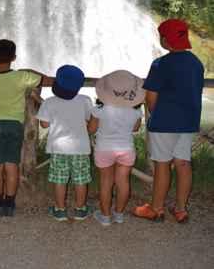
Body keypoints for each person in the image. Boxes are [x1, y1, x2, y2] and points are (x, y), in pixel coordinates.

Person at [0, 39, 54, 216]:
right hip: (15, 125)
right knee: (12, 164)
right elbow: (42, 80)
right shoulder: (22, 77)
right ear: (14, 58)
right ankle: (9, 205)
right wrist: (28, 72)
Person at [133, 19, 204, 223]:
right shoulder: (196, 63)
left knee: (162, 164)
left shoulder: (160, 64)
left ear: (165, 40)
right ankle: (181, 209)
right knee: (183, 164)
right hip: (188, 122)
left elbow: (151, 97)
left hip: (164, 123)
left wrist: (156, 114)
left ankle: (156, 208)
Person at [36, 65, 93, 222]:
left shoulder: (49, 102)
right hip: (80, 147)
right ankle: (80, 209)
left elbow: (44, 125)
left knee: (60, 179)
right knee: (81, 179)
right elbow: (90, 119)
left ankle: (60, 209)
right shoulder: (85, 100)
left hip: (58, 148)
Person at [88, 70, 144, 226]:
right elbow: (135, 128)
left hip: (104, 149)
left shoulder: (99, 110)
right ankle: (119, 214)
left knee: (106, 182)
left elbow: (91, 130)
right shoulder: (136, 111)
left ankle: (105, 216)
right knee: (123, 182)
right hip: (126, 149)